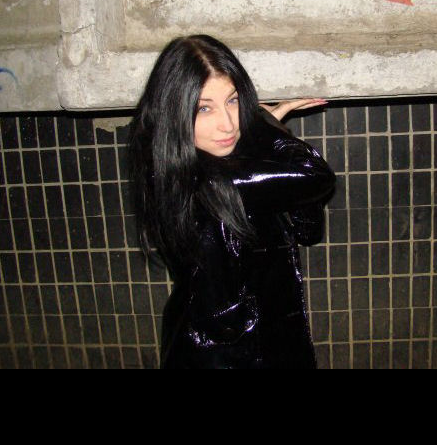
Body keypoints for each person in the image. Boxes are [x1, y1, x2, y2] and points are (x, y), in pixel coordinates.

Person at [129, 34, 335, 368]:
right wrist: (266, 125)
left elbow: (308, 230)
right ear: (174, 112)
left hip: (260, 344)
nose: (227, 124)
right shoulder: (203, 182)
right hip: (222, 356)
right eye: (204, 108)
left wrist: (262, 143)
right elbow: (316, 175)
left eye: (234, 101)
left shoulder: (217, 168)